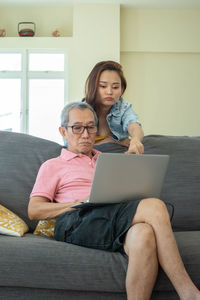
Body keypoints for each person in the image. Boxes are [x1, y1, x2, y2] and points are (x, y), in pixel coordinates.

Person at [28, 102, 200, 300]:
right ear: (63, 131)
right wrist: (81, 202)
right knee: (155, 206)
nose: (85, 134)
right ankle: (188, 293)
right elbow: (34, 210)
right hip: (76, 219)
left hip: (112, 215)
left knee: (144, 235)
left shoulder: (107, 160)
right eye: (77, 128)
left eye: (90, 127)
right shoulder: (52, 166)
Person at [84, 60, 144, 154]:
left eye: (115, 87)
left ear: (122, 89)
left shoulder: (123, 107)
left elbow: (134, 125)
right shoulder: (81, 108)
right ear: (93, 87)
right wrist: (114, 141)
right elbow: (72, 144)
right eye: (103, 86)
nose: (109, 92)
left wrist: (135, 140)